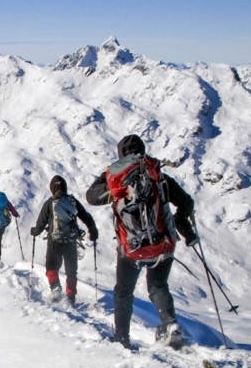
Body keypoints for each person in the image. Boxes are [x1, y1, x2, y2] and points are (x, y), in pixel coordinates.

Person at [85, 134, 198, 349]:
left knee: (123, 292)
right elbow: (186, 202)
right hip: (163, 244)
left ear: (121, 153)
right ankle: (170, 324)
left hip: (131, 248)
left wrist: (116, 191)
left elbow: (91, 197)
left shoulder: (114, 174)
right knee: (158, 286)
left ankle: (121, 338)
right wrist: (181, 224)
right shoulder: (158, 174)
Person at [30, 175, 98, 306]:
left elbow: (40, 224)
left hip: (54, 241)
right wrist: (93, 231)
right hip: (70, 241)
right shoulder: (73, 201)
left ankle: (55, 288)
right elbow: (86, 217)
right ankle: (70, 296)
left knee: (51, 266)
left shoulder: (50, 203)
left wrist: (34, 231)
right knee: (71, 270)